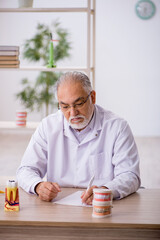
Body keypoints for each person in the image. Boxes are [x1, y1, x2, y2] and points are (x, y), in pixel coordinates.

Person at [16, 71, 141, 204]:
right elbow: (25, 170)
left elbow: (130, 175)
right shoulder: (48, 126)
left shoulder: (117, 127)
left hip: (101, 205)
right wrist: (38, 186)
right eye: (64, 106)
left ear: (92, 97)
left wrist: (106, 190)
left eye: (79, 104)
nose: (73, 112)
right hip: (58, 206)